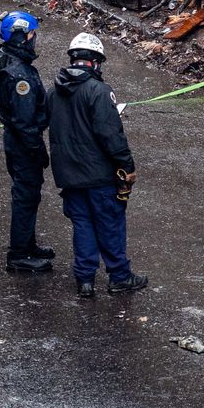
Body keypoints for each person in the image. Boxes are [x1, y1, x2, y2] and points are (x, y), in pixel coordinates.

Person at [46, 32, 148, 298]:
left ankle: (85, 281)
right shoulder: (99, 91)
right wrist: (127, 166)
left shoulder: (53, 91)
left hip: (69, 177)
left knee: (82, 225)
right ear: (94, 62)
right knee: (110, 224)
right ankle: (119, 276)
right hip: (99, 176)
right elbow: (110, 134)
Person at [0, 11, 53, 273]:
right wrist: (37, 150)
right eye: (32, 34)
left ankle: (27, 243)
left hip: (17, 140)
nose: (35, 39)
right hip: (23, 144)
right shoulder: (19, 76)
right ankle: (19, 254)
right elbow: (24, 122)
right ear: (22, 37)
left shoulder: (9, 62)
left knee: (29, 196)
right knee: (25, 196)